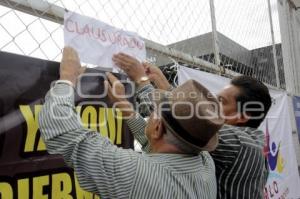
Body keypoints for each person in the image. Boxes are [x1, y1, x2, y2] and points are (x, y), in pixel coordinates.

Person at [38, 47, 224, 199]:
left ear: (158, 127)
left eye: (154, 112)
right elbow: (156, 143)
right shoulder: (205, 164)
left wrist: (67, 78)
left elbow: (64, 133)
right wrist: (123, 105)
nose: (150, 115)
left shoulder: (135, 174)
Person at [112, 53, 272, 199]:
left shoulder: (233, 142)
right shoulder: (252, 140)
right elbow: (178, 119)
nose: (210, 106)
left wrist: (142, 81)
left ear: (243, 116)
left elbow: (174, 122)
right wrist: (161, 81)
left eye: (221, 101)